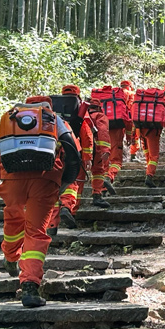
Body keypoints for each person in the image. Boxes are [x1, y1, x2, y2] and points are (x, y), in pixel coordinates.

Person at [0, 96, 80, 307]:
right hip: (45, 181)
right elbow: (73, 151)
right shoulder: (54, 120)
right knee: (36, 233)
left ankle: (10, 256)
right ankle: (30, 286)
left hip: (12, 181)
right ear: (48, 105)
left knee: (13, 220)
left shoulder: (11, 121)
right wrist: (64, 182)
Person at [47, 85, 96, 232]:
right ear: (78, 94)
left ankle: (52, 224)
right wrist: (87, 157)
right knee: (73, 184)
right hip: (73, 151)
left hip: (53, 152)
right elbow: (86, 134)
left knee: (54, 186)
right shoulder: (78, 109)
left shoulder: (51, 107)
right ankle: (68, 207)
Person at [87, 91, 133, 207]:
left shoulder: (84, 116)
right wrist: (129, 136)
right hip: (114, 135)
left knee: (100, 167)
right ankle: (108, 177)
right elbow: (127, 120)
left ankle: (100, 191)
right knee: (115, 161)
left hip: (87, 147)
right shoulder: (102, 115)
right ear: (100, 107)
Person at [120, 80, 141, 162]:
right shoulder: (131, 94)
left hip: (118, 119)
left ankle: (117, 157)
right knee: (134, 136)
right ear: (129, 86)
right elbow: (132, 107)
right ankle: (133, 155)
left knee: (118, 138)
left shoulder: (116, 94)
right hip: (130, 119)